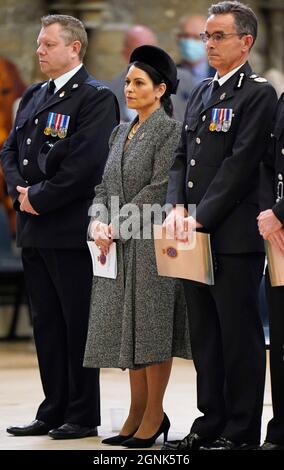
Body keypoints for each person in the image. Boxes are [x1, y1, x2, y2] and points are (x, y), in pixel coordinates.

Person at [162, 1, 277, 451]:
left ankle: (241, 427)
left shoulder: (259, 93)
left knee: (238, 335)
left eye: (218, 36)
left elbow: (240, 165)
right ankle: (209, 420)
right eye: (206, 36)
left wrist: (198, 216)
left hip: (230, 236)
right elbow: (180, 157)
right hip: (193, 233)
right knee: (205, 335)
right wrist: (174, 207)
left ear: (245, 41)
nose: (208, 43)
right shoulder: (203, 91)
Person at [1, 14, 119, 439]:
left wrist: (40, 197)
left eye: (48, 44)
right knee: (47, 324)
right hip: (34, 227)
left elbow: (87, 164)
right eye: (38, 44)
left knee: (76, 323)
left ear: (74, 48)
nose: (39, 51)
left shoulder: (94, 98)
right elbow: (10, 148)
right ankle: (52, 408)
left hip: (69, 228)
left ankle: (82, 412)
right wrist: (20, 189)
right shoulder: (34, 94)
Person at [83, 45, 191, 449]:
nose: (128, 88)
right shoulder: (119, 131)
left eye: (138, 83)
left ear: (160, 89)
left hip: (151, 244)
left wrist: (116, 225)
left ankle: (153, 415)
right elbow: (103, 186)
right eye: (127, 81)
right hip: (117, 242)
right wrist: (97, 221)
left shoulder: (170, 131)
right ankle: (134, 413)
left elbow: (158, 189)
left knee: (152, 328)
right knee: (129, 329)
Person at [258, 96, 284, 450]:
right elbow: (267, 163)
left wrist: (281, 212)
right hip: (278, 236)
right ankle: (280, 427)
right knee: (279, 341)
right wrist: (269, 214)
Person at [108, 25, 157, 122]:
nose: (147, 57)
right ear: (125, 54)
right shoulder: (112, 89)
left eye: (151, 51)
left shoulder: (176, 83)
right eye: (139, 52)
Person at [172, 15, 213, 122]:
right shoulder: (169, 75)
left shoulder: (223, 74)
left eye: (196, 37)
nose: (189, 42)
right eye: (185, 36)